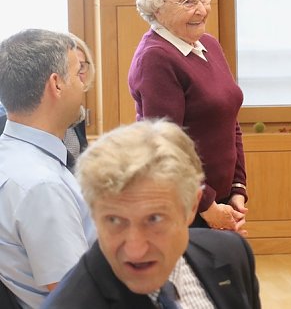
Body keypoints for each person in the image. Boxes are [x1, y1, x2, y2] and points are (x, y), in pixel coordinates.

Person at [43, 119, 261, 308]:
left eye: (154, 219)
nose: (135, 250)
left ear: (191, 207)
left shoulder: (232, 254)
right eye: (114, 220)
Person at [129, 0, 248, 234]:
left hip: (215, 203)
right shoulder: (155, 58)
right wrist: (208, 207)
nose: (203, 9)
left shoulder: (208, 44)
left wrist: (237, 188)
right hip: (182, 207)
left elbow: (229, 120)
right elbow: (165, 147)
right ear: (157, 9)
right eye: (188, 1)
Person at [0, 29, 98, 308]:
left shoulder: (12, 155)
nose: (83, 85)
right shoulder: (41, 186)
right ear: (56, 84)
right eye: (78, 73)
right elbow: (79, 298)